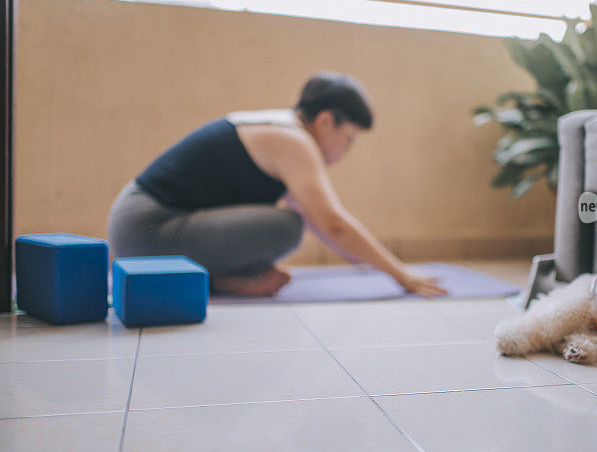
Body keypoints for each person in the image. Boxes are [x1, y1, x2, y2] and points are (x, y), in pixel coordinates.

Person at [107, 71, 447, 298]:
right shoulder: (294, 141)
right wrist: (401, 275)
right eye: (350, 138)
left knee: (289, 223)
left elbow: (327, 227)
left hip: (140, 227)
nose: (348, 149)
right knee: (286, 226)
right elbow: (331, 223)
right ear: (326, 121)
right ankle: (217, 280)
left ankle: (218, 277)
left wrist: (377, 267)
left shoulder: (279, 127)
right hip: (146, 232)